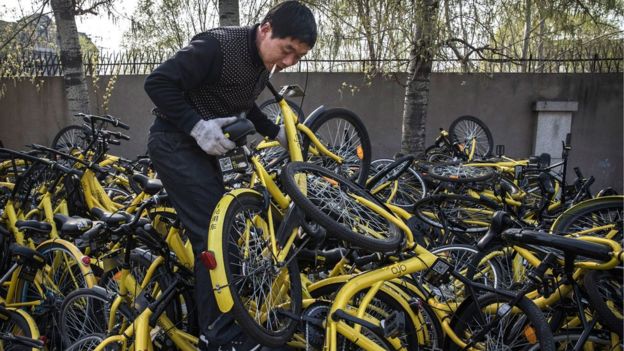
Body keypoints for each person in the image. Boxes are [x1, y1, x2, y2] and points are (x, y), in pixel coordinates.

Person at [144, 1, 316, 350]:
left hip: (201, 150)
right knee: (213, 233)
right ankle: (215, 334)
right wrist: (196, 126)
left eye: (298, 57)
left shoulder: (260, 63)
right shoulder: (217, 46)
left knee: (226, 229)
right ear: (266, 28)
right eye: (287, 51)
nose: (288, 63)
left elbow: (243, 101)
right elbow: (157, 82)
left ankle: (216, 308)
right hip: (174, 143)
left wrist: (275, 133)